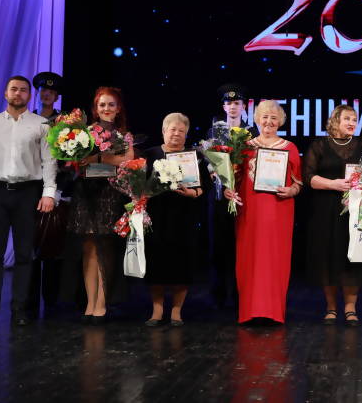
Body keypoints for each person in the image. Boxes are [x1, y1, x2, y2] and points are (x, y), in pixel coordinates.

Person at [0, 75, 57, 328]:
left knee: (24, 254)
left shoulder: (42, 124)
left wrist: (49, 192)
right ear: (5, 93)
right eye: (14, 89)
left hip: (28, 193)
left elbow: (49, 160)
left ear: (30, 95)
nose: (18, 93)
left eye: (23, 90)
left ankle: (19, 309)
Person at [224, 100, 302, 324]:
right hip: (250, 211)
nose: (269, 122)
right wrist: (228, 189)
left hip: (279, 211)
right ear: (257, 119)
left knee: (275, 259)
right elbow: (233, 177)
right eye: (265, 117)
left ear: (280, 122)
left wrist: (292, 190)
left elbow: (298, 183)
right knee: (249, 258)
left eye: (274, 118)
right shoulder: (244, 146)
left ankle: (273, 312)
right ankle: (249, 312)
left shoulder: (289, 148)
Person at [303, 105, 362, 327]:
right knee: (328, 257)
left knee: (352, 257)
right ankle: (330, 307)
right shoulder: (319, 145)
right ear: (335, 121)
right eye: (347, 119)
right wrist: (333, 184)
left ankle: (350, 308)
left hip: (355, 208)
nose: (352, 123)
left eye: (354, 119)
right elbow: (308, 177)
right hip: (325, 210)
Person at [65, 87, 133, 324]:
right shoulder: (84, 133)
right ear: (95, 108)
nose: (106, 108)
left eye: (111, 104)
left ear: (118, 108)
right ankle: (90, 303)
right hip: (86, 193)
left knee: (106, 248)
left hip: (110, 194)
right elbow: (76, 162)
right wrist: (82, 161)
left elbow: (126, 161)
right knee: (88, 249)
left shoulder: (123, 135)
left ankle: (102, 303)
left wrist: (98, 158)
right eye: (102, 104)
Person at [143, 113, 209, 327]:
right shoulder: (150, 154)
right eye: (173, 129)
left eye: (181, 131)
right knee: (156, 262)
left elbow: (205, 186)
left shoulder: (194, 156)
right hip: (156, 216)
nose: (176, 134)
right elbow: (138, 183)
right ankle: (157, 309)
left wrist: (194, 193)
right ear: (164, 131)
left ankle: (177, 310)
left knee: (182, 263)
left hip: (184, 217)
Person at [206, 83, 256, 308]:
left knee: (241, 247)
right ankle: (217, 294)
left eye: (237, 103)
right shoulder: (214, 131)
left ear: (244, 106)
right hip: (219, 196)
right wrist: (217, 177)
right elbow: (208, 162)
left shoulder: (252, 132)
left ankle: (239, 294)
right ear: (223, 107)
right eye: (229, 103)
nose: (233, 106)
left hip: (242, 196)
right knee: (218, 246)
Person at [25, 71, 68, 318]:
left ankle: (51, 300)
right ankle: (29, 300)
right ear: (38, 93)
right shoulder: (28, 119)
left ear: (57, 96)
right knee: (30, 244)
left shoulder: (66, 123)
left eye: (51, 91)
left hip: (57, 189)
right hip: (30, 187)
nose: (47, 94)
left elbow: (71, 159)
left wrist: (59, 186)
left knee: (53, 244)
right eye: (43, 91)